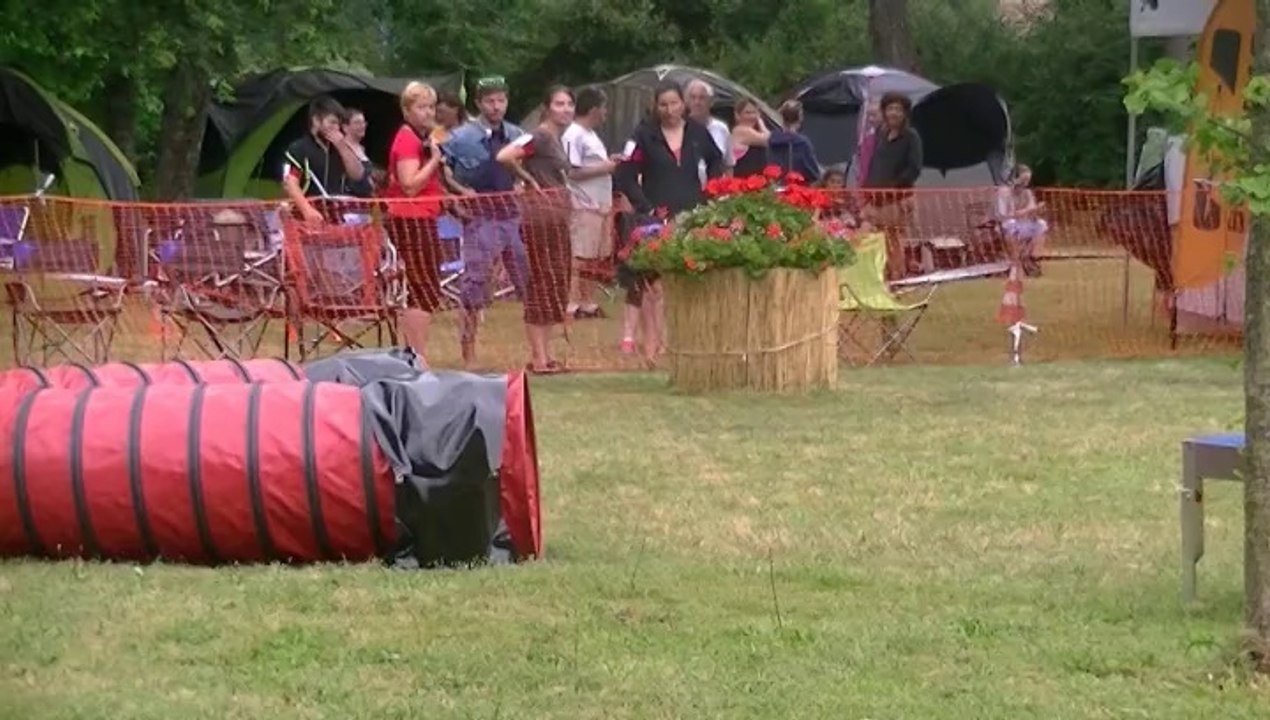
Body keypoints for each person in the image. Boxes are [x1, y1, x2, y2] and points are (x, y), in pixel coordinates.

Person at [616, 81, 725, 365]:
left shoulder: (698, 133)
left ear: (683, 104)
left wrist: (709, 193)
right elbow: (625, 175)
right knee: (655, 285)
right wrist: (646, 206)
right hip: (656, 218)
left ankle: (689, 344)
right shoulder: (643, 135)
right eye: (663, 105)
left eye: (674, 103)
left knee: (690, 280)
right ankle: (654, 347)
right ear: (655, 106)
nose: (669, 110)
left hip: (693, 214)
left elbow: (717, 162)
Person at [445, 75, 530, 367]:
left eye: (501, 100)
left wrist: (523, 186)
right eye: (490, 101)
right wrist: (458, 195)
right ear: (479, 103)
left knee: (527, 279)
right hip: (480, 218)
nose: (496, 106)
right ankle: (468, 352)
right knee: (475, 283)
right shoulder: (460, 138)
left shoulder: (518, 134)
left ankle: (538, 351)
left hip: (512, 216)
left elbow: (528, 169)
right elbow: (443, 173)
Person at [496, 86, 577, 374]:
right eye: (559, 103)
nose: (565, 109)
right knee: (542, 281)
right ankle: (538, 357)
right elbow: (506, 155)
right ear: (547, 107)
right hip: (539, 218)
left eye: (569, 104)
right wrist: (528, 180)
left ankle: (547, 354)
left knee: (555, 281)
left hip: (556, 218)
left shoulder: (557, 138)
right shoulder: (541, 135)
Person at [381, 81, 447, 364]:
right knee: (423, 288)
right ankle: (417, 356)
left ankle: (417, 354)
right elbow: (408, 185)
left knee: (425, 288)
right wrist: (434, 161)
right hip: (411, 219)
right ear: (407, 110)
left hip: (424, 218)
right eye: (421, 107)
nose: (428, 113)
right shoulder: (407, 139)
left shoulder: (423, 137)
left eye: (431, 107)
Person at [561, 87, 619, 319]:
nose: (606, 113)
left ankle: (588, 301)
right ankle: (572, 302)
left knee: (595, 255)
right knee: (579, 254)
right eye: (604, 108)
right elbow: (571, 172)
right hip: (583, 204)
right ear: (594, 109)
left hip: (599, 205)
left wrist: (608, 162)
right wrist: (605, 168)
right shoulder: (573, 135)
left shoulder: (591, 135)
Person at [862, 92, 924, 278]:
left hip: (897, 199)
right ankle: (882, 275)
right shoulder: (882, 135)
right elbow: (874, 164)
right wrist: (867, 192)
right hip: (875, 199)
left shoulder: (911, 137)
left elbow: (914, 168)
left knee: (894, 239)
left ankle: (896, 276)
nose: (893, 113)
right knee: (877, 239)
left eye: (898, 109)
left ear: (905, 113)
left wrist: (892, 188)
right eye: (890, 108)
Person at [281, 96, 370, 223]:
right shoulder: (298, 148)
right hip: (306, 218)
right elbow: (290, 182)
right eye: (332, 122)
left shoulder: (340, 148)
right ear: (316, 121)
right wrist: (306, 209)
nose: (336, 128)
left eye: (338, 124)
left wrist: (342, 147)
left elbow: (358, 175)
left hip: (337, 217)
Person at [997, 163, 1048, 277]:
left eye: (1028, 180)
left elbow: (1032, 210)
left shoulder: (1027, 192)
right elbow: (1006, 214)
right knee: (1010, 225)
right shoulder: (1004, 192)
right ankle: (1017, 262)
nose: (1026, 183)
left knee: (1041, 224)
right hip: (1009, 224)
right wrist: (1027, 211)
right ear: (1015, 178)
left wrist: (1037, 211)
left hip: (1024, 223)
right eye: (1024, 180)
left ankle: (1031, 256)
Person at [684, 79, 733, 184]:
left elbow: (729, 165)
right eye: (693, 98)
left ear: (711, 102)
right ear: (687, 102)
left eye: (702, 98)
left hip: (716, 190)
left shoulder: (721, 129)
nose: (697, 102)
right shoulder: (681, 128)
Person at [768, 99, 821, 183]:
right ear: (800, 117)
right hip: (796, 187)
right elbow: (811, 170)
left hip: (775, 185)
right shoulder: (802, 142)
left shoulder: (772, 139)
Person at [729, 97, 770, 178]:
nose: (751, 116)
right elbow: (768, 140)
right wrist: (760, 122)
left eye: (754, 112)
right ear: (737, 115)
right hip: (744, 182)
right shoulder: (741, 130)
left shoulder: (752, 132)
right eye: (747, 113)